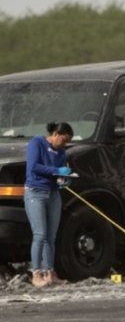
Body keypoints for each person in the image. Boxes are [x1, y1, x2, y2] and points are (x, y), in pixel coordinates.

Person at [24, 122, 74, 288]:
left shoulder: (61, 153)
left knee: (51, 236)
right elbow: (34, 167)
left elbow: (58, 173)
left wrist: (63, 179)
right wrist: (56, 171)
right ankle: (36, 273)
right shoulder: (37, 143)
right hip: (36, 192)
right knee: (40, 234)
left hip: (53, 193)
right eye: (63, 140)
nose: (64, 144)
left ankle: (50, 272)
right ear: (55, 134)